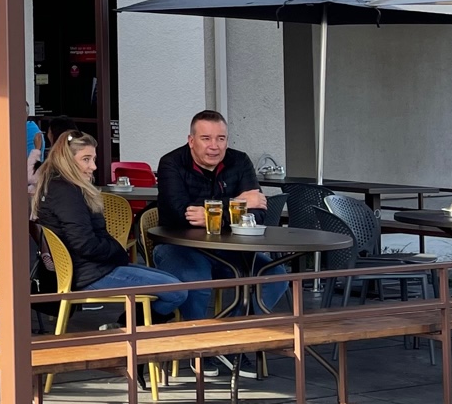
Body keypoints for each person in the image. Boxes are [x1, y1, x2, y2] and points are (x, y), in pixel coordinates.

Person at [34, 132, 195, 319]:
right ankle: (131, 328)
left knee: (176, 283)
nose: (93, 166)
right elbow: (84, 244)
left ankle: (128, 326)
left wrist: (116, 253)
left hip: (88, 268)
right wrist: (117, 251)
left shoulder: (59, 187)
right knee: (177, 291)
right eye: (86, 159)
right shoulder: (66, 192)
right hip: (88, 274)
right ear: (66, 160)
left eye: (93, 159)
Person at [154, 108, 287, 333]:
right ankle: (200, 346)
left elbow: (259, 213)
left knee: (276, 276)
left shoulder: (240, 161)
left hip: (231, 249)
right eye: (206, 138)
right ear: (191, 140)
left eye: (221, 138)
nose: (214, 146)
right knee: (198, 282)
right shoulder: (171, 163)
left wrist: (213, 214)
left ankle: (233, 337)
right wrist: (238, 203)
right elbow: (182, 214)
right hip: (181, 247)